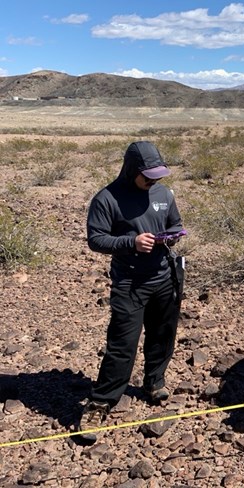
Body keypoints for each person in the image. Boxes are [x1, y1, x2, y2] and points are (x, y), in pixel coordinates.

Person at [77, 141, 185, 443]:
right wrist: (131, 242)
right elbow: (96, 239)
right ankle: (100, 403)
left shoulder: (164, 194)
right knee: (122, 344)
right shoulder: (107, 198)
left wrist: (172, 237)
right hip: (130, 283)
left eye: (157, 175)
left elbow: (175, 223)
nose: (154, 181)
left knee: (163, 335)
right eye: (148, 176)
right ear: (132, 170)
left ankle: (154, 382)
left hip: (166, 276)